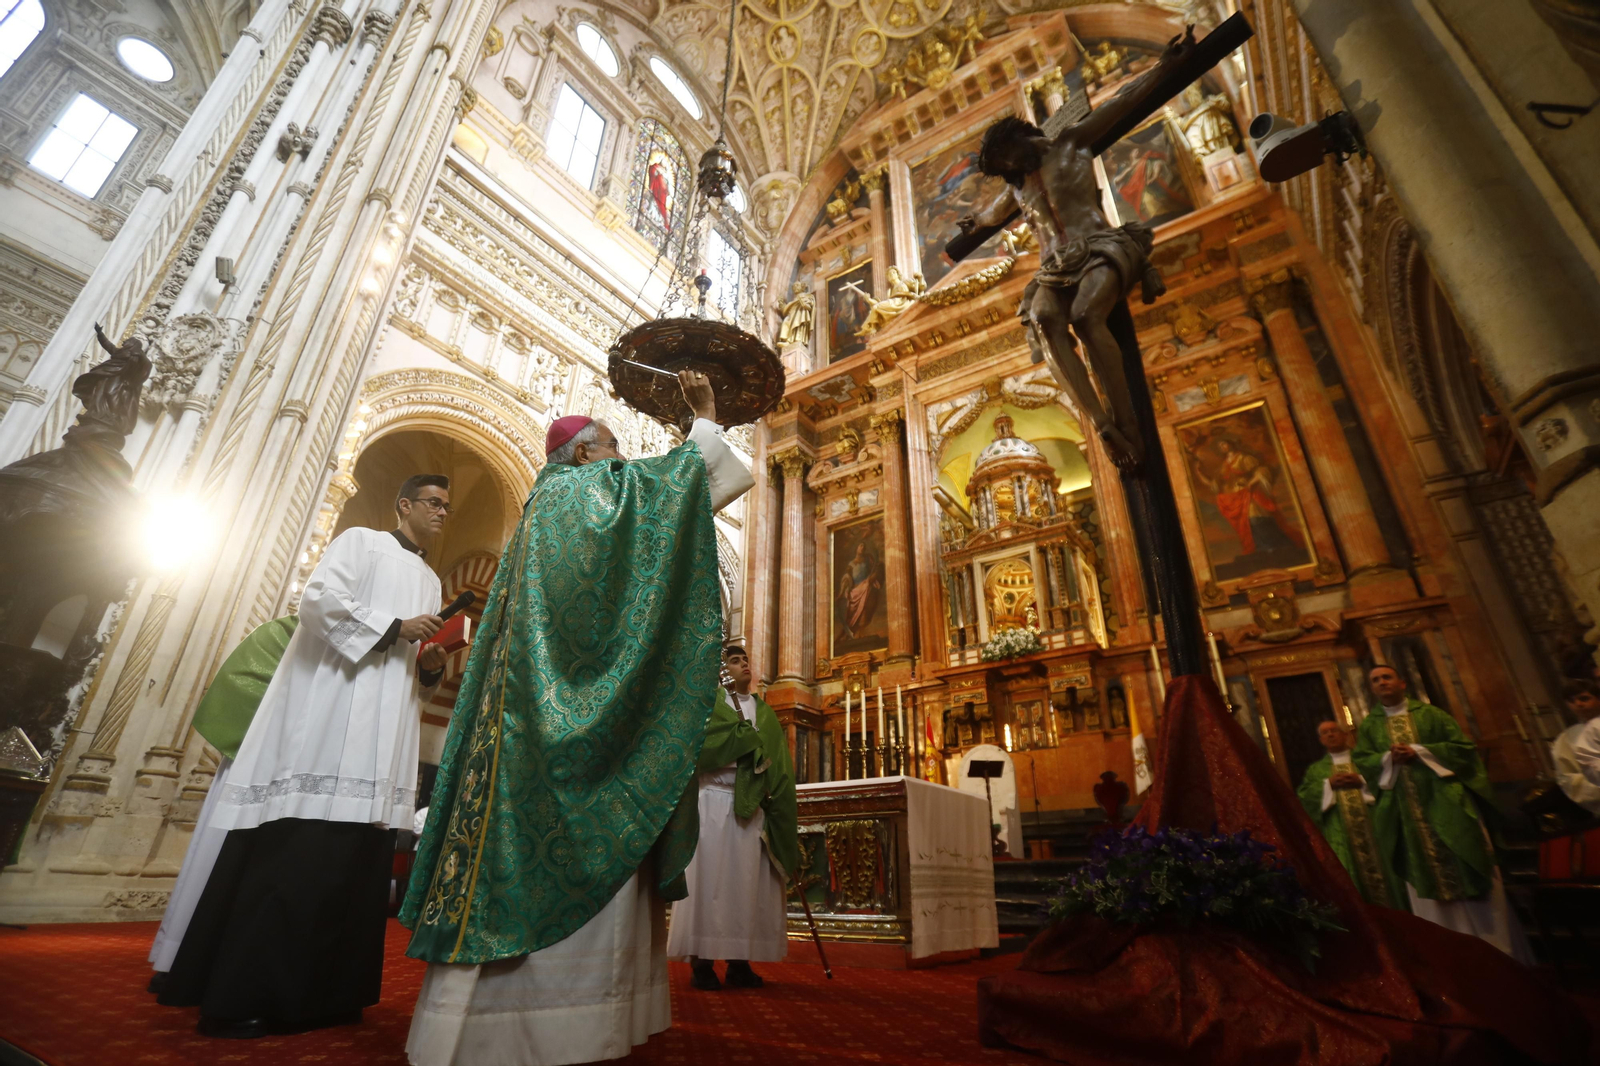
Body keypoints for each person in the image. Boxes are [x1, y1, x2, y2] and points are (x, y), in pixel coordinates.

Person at [403, 371, 754, 1066]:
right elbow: (674, 491)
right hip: (569, 738)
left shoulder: (545, 507)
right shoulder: (585, 496)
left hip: (525, 728)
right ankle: (559, 1027)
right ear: (588, 453)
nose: (626, 459)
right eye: (617, 446)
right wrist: (704, 422)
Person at [157, 475, 451, 1037]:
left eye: (447, 507)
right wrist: (394, 626)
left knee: (356, 866)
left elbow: (413, 677)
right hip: (330, 722)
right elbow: (318, 602)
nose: (442, 513)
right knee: (299, 856)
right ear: (404, 503)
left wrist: (430, 664)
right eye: (433, 503)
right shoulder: (361, 542)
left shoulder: (432, 581)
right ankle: (249, 995)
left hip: (383, 740)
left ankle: (328, 997)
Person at [956, 30, 1196, 465]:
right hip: (1052, 266)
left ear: (1019, 141)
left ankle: (1126, 422)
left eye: (1010, 163)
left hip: (1100, 246)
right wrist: (977, 222)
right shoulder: (1018, 187)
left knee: (1087, 317)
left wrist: (1166, 66)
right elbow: (990, 214)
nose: (1012, 173)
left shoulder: (1073, 142)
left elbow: (1122, 101)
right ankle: (1102, 425)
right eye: (1005, 171)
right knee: (1046, 319)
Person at [147, 615, 299, 987]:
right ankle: (181, 957)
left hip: (295, 782)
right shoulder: (284, 634)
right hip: (252, 768)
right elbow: (244, 685)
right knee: (215, 858)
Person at [1351, 665, 1531, 959]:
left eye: (1387, 677)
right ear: (1371, 689)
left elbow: (1462, 749)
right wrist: (1388, 758)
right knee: (1426, 883)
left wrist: (1419, 752)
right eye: (1375, 680)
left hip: (1447, 806)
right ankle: (1450, 959)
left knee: (1471, 865)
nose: (1382, 682)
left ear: (1402, 682)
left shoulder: (1431, 715)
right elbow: (1363, 761)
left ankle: (1501, 953)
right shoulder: (1370, 727)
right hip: (1408, 818)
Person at [668, 644, 798, 990]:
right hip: (712, 803)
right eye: (734, 660)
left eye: (745, 660)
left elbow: (778, 763)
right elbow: (699, 750)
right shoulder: (709, 706)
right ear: (722, 670)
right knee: (709, 884)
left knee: (745, 886)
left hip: (751, 806)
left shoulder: (765, 713)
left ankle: (739, 962)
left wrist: (776, 797)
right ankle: (702, 963)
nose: (743, 665)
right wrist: (742, 739)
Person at [1296, 720, 1405, 908]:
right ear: (1321, 740)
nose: (1331, 735)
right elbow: (1303, 798)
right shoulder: (1317, 770)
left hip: (1375, 830)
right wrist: (1328, 785)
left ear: (1345, 734)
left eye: (1335, 731)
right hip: (1341, 836)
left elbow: (1388, 783)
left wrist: (1362, 781)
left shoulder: (1365, 760)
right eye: (1325, 733)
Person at [1538, 680, 1600, 880]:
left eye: (1584, 698)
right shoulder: (1566, 738)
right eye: (1572, 701)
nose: (1578, 704)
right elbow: (1568, 778)